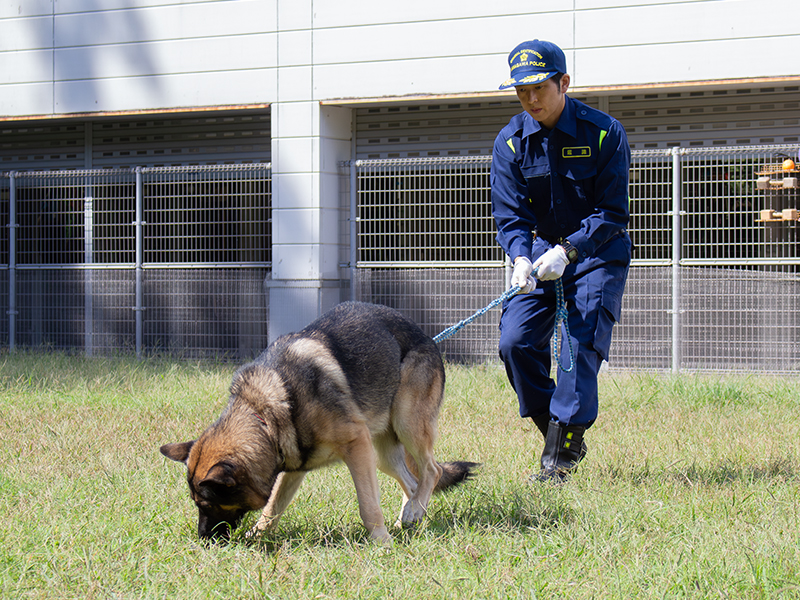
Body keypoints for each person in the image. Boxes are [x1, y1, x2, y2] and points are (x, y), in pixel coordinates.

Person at [491, 40, 632, 482]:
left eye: (538, 88)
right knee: (515, 343)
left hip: (596, 254)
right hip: (537, 252)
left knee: (577, 342)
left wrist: (569, 251)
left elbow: (611, 213)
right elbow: (511, 215)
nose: (530, 99)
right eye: (521, 91)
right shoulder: (511, 142)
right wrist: (518, 257)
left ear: (563, 82)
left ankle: (557, 461)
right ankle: (560, 428)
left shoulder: (604, 132)